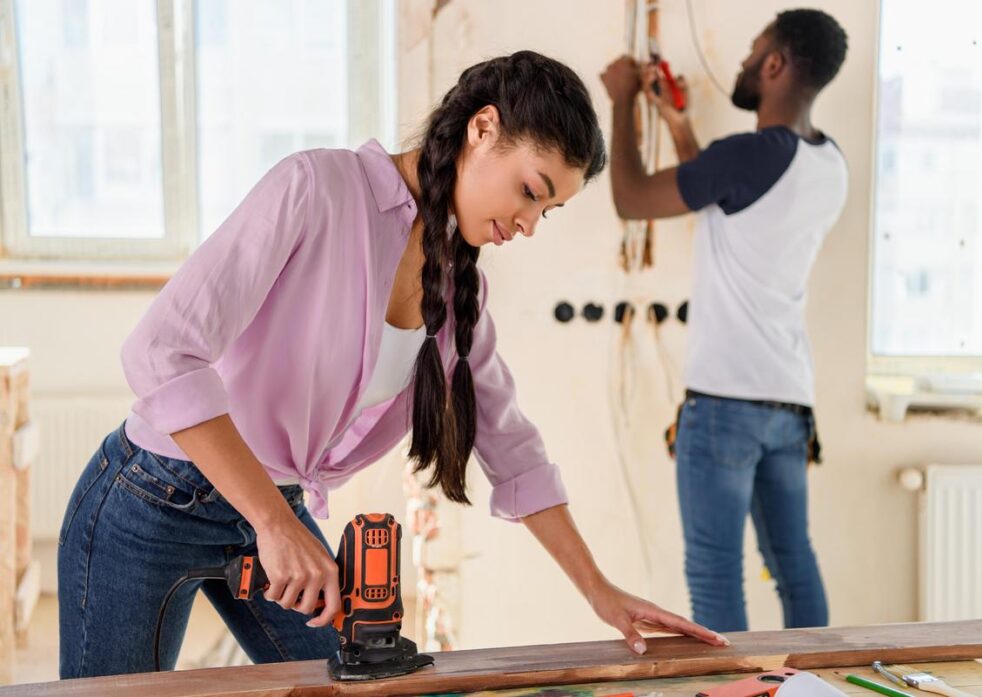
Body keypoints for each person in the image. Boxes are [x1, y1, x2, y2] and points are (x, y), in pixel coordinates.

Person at [58, 50, 728, 679]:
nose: (528, 224)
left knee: (364, 683)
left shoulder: (461, 291)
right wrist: (273, 522)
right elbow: (160, 351)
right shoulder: (317, 188)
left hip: (272, 509)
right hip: (151, 498)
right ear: (482, 128)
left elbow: (514, 452)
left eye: (546, 211)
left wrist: (602, 592)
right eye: (530, 190)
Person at [600, 10, 849, 632]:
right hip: (788, 404)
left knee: (714, 573)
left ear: (775, 65)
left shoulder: (747, 156)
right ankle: (816, 684)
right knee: (794, 562)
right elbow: (727, 202)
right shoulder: (829, 163)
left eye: (753, 50)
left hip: (723, 407)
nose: (741, 61)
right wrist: (679, 126)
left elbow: (631, 198)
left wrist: (624, 100)